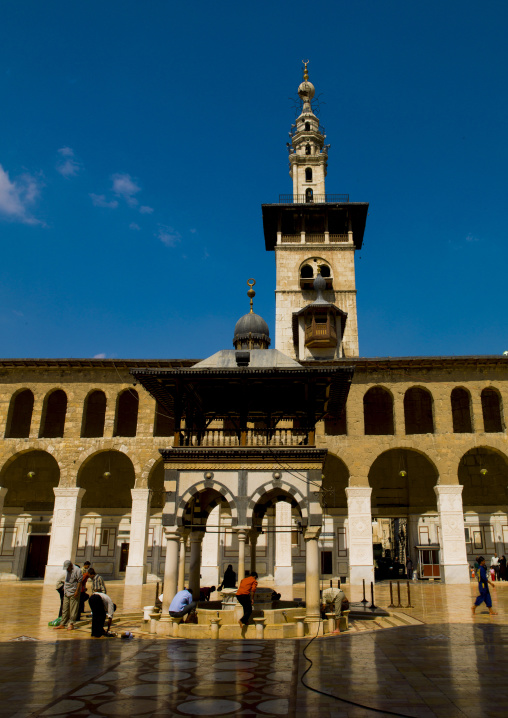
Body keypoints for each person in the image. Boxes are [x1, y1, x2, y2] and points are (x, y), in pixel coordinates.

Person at [54, 560, 82, 630]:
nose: (67, 569)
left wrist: (77, 591)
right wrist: (64, 589)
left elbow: (79, 581)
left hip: (74, 592)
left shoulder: (77, 570)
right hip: (66, 592)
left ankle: (72, 624)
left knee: (73, 609)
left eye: (68, 568)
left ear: (70, 565)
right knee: (65, 608)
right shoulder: (67, 570)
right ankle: (62, 624)